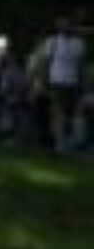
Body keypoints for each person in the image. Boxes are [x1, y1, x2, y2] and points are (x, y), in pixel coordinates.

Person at [40, 16, 87, 152]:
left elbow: (81, 66)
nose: (65, 28)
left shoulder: (79, 44)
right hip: (56, 81)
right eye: (62, 25)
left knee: (75, 113)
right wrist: (44, 81)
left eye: (68, 25)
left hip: (73, 82)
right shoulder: (52, 42)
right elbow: (46, 63)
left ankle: (74, 141)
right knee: (57, 114)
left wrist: (83, 83)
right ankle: (59, 144)